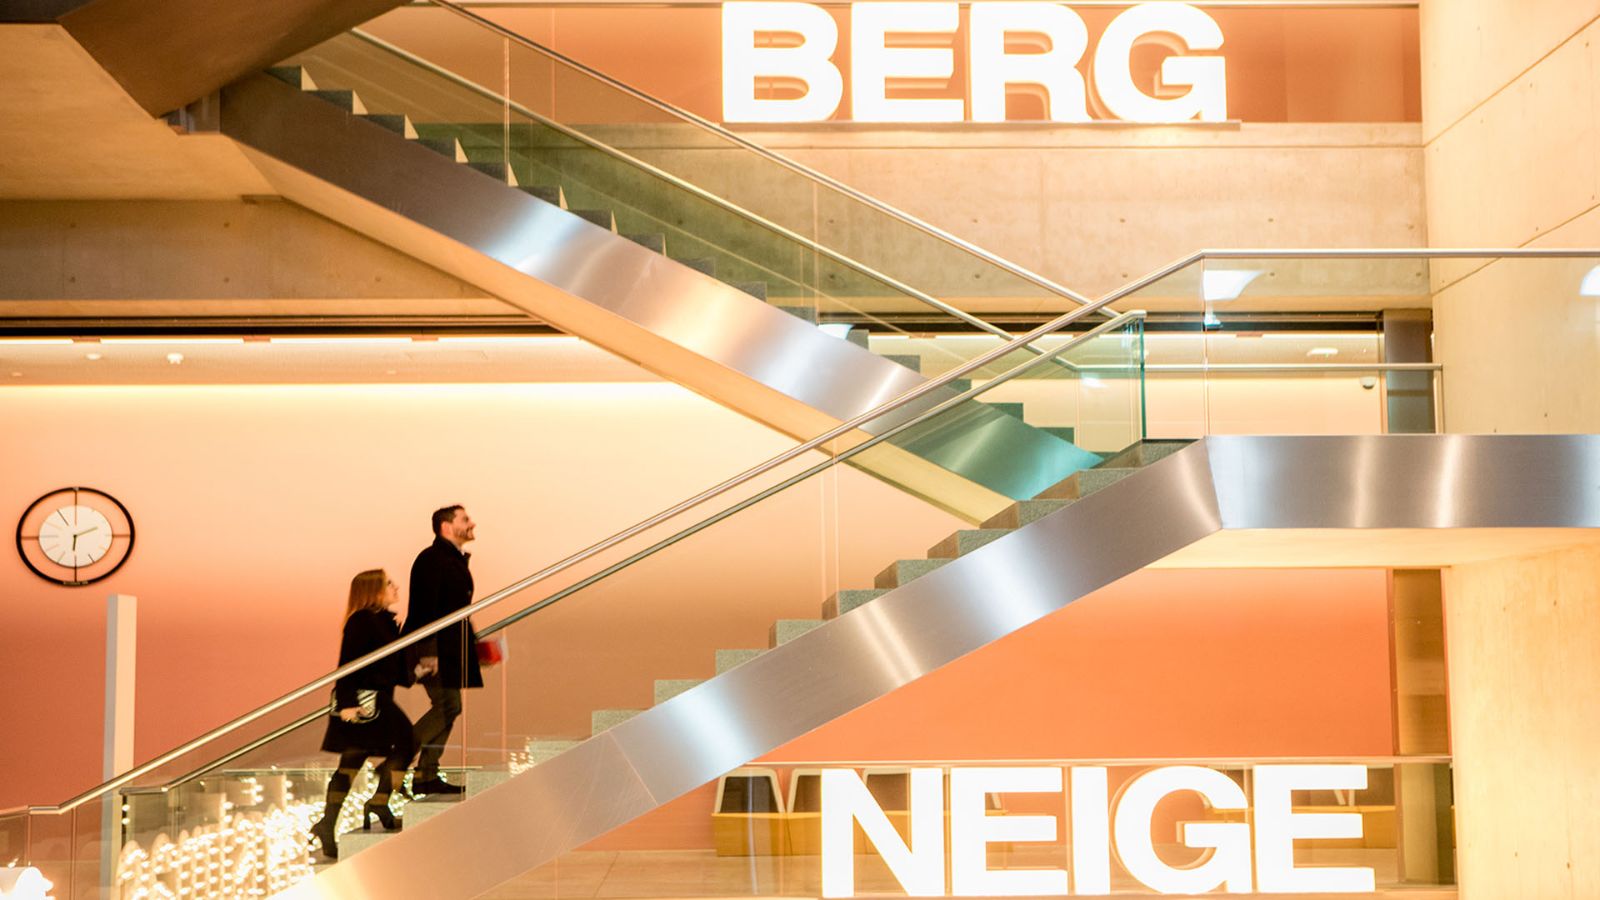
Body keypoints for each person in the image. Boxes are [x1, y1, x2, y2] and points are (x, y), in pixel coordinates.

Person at [309, 570, 417, 861]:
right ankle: (371, 804)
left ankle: (331, 821)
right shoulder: (361, 621)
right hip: (362, 701)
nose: (395, 587)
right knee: (402, 745)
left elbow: (392, 666)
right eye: (388, 583)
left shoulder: (384, 621)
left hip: (376, 699)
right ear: (373, 589)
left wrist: (415, 673)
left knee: (354, 761)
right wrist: (345, 703)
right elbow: (347, 663)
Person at [403, 505, 482, 796]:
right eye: (465, 519)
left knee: (451, 707)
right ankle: (399, 757)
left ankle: (425, 775)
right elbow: (425, 608)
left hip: (448, 647)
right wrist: (428, 652)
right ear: (446, 527)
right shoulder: (432, 559)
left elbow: (456, 611)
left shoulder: (451, 559)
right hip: (433, 647)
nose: (472, 523)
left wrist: (474, 647)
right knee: (448, 706)